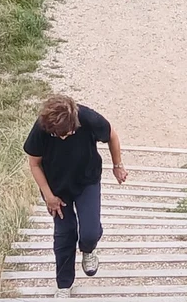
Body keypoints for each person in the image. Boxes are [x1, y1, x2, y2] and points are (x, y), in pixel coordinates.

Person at [24, 94, 127, 290]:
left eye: (68, 133)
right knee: (65, 234)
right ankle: (64, 286)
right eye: (58, 134)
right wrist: (48, 196)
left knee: (89, 232)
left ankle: (89, 249)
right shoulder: (41, 127)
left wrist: (117, 165)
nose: (63, 137)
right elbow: (34, 164)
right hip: (56, 189)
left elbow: (112, 135)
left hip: (86, 180)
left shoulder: (87, 118)